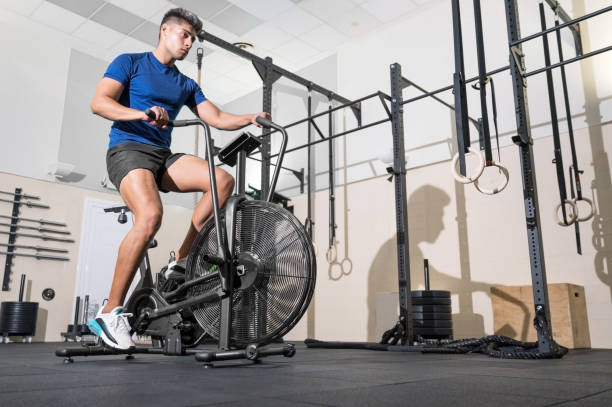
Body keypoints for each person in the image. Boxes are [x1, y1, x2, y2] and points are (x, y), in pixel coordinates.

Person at [87, 8, 269, 350]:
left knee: (221, 180)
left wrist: (249, 117)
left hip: (161, 157)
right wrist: (141, 113)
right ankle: (110, 312)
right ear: (164, 31)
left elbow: (214, 116)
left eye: (192, 38)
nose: (188, 43)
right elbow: (99, 103)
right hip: (129, 148)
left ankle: (182, 260)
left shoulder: (185, 83)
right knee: (151, 216)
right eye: (184, 35)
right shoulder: (131, 62)